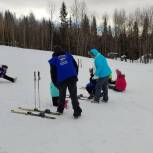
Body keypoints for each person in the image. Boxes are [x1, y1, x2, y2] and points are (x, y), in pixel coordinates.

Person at [48, 45, 82, 118]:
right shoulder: (69, 56)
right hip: (72, 77)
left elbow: (53, 74)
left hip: (62, 80)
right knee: (73, 95)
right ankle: (77, 111)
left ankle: (60, 109)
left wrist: (56, 84)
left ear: (54, 52)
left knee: (62, 95)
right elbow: (75, 66)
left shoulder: (54, 60)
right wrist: (75, 75)